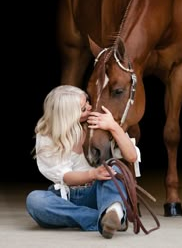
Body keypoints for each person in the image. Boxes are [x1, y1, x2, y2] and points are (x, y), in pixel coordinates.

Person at [26, 85, 141, 239]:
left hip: (98, 193)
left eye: (87, 102)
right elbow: (65, 176)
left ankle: (113, 209)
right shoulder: (47, 135)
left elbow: (132, 157)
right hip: (66, 197)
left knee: (115, 170)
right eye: (83, 108)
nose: (90, 107)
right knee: (35, 201)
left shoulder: (97, 125)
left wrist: (114, 126)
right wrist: (92, 173)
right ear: (68, 114)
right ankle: (105, 218)